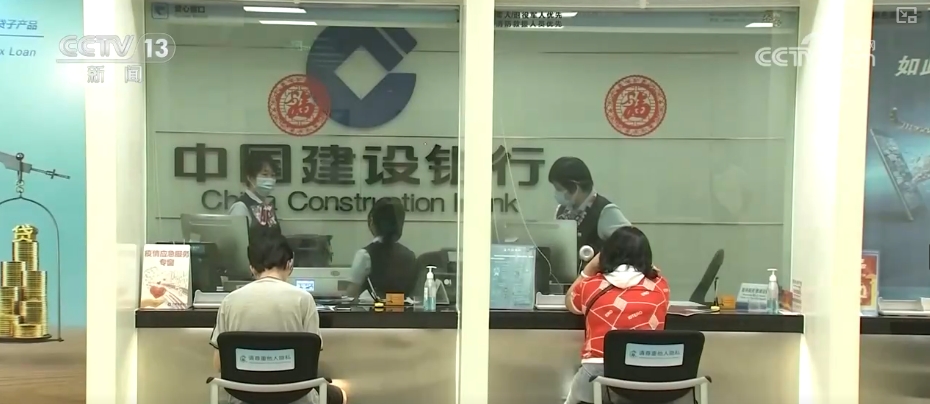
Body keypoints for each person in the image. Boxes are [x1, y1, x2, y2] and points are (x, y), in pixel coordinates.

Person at [209, 231, 346, 404]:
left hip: (242, 397)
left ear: (252, 267)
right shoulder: (304, 300)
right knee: (340, 394)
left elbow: (219, 364)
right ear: (289, 264)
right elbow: (311, 360)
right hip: (296, 397)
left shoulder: (230, 301)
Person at [563, 227, 670, 404]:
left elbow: (570, 300)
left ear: (605, 255)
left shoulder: (590, 285)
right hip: (646, 382)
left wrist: (589, 269)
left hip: (595, 379)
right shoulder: (660, 286)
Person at [548, 157, 631, 258]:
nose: (556, 193)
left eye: (559, 189)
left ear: (574, 187)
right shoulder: (561, 211)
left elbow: (633, 246)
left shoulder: (605, 211)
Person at [348, 197, 417, 300]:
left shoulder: (365, 255)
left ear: (372, 221)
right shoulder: (410, 256)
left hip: (372, 310)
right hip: (403, 310)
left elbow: (351, 294)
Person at [228, 153, 281, 236]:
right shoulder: (241, 207)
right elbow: (237, 240)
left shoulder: (266, 206)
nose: (270, 179)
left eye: (272, 175)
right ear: (251, 178)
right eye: (265, 174)